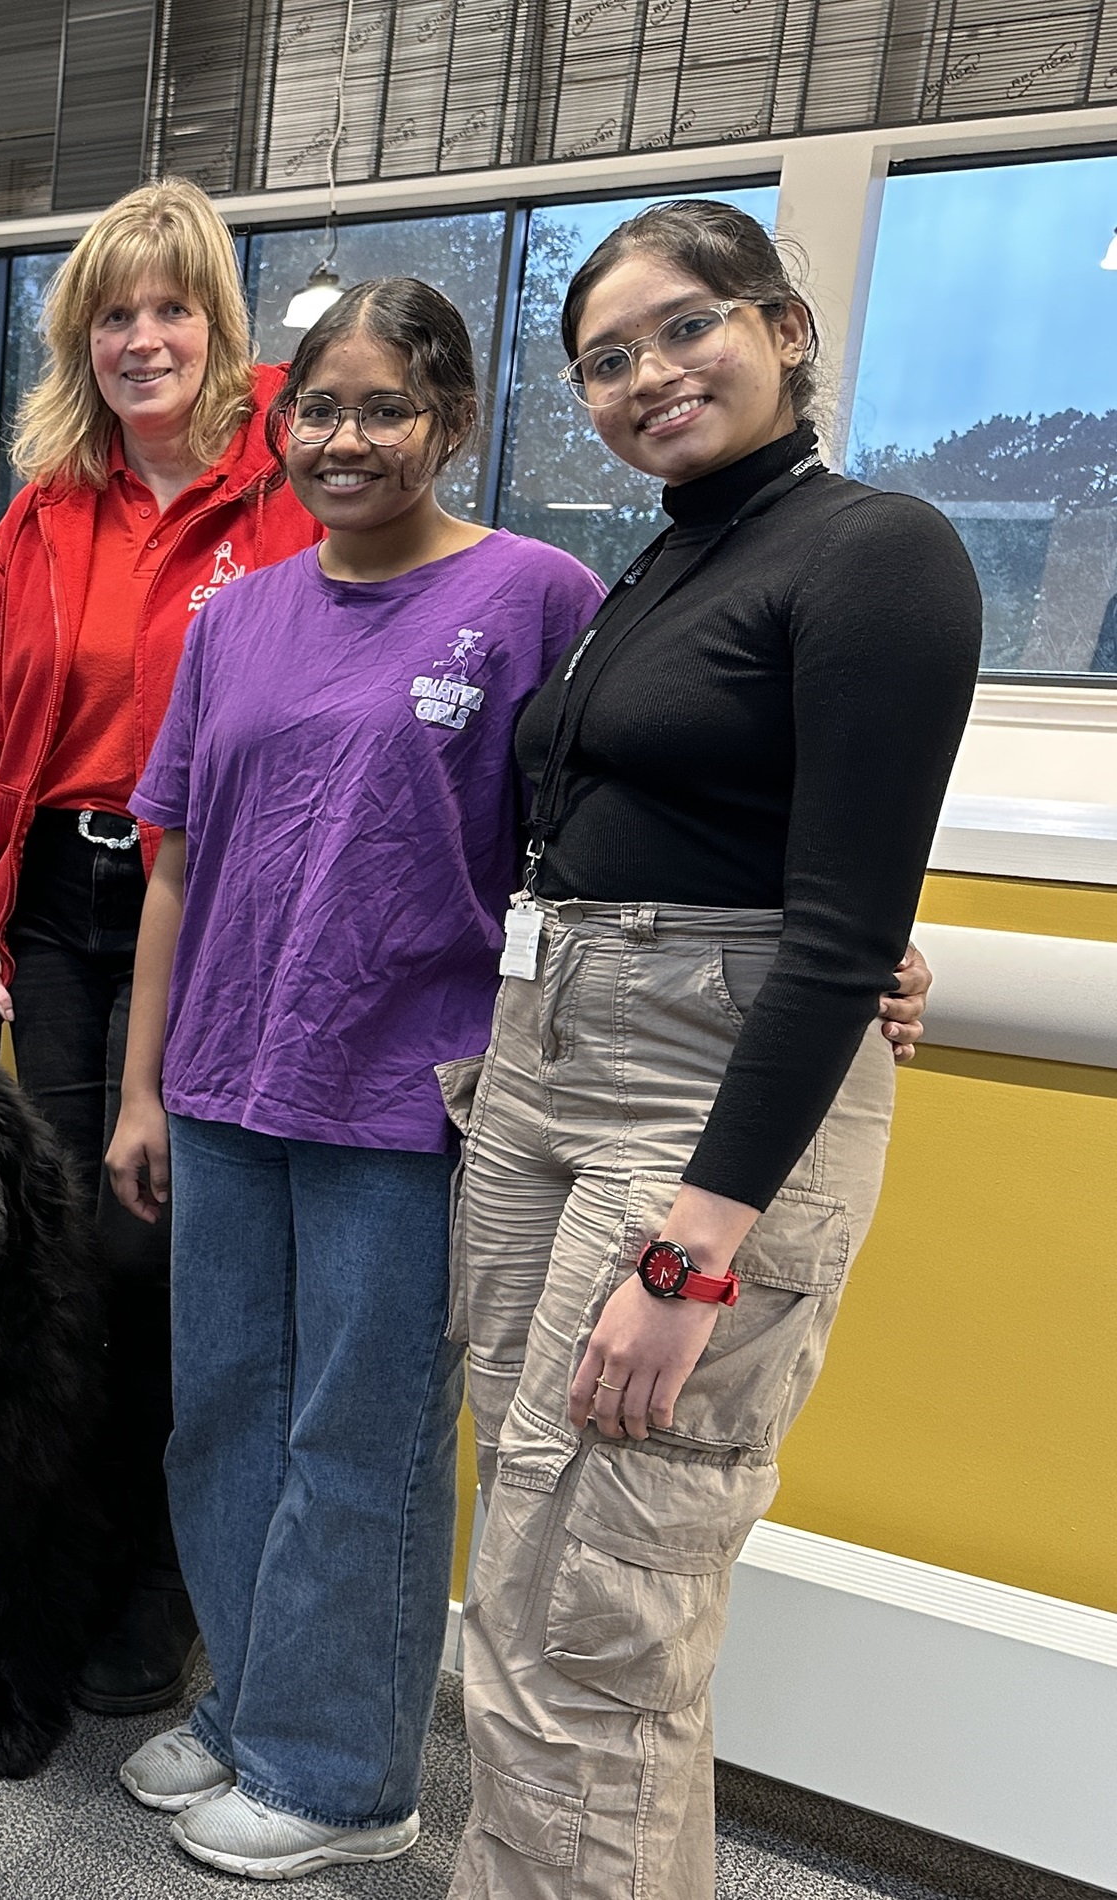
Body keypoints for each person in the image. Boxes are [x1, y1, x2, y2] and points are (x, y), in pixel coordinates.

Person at [446, 202, 979, 1897]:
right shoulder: (665, 561)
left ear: (787, 328)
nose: (650, 377)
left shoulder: (878, 552)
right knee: (538, 1585)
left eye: (689, 329)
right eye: (608, 359)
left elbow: (832, 932)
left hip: (697, 1126)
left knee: (591, 1615)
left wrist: (701, 1243)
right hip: (548, 1064)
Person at [105, 282, 606, 1877]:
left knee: (363, 1437)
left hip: (406, 1098)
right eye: (320, 409)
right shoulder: (237, 614)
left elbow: (621, 833)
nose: (346, 439)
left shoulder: (537, 596)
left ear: (452, 423)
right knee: (224, 1418)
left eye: (386, 409)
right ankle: (252, 1708)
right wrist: (139, 1092)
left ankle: (342, 1776)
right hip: (225, 1082)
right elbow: (174, 869)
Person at [0, 176, 322, 1714]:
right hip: (66, 905)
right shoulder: (42, 511)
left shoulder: (292, 479)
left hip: (223, 904)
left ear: (217, 325)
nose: (144, 338)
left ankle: (162, 1589)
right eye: (115, 313)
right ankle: (73, 1551)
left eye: (172, 308)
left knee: (175, 1250)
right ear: (79, 338)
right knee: (72, 1247)